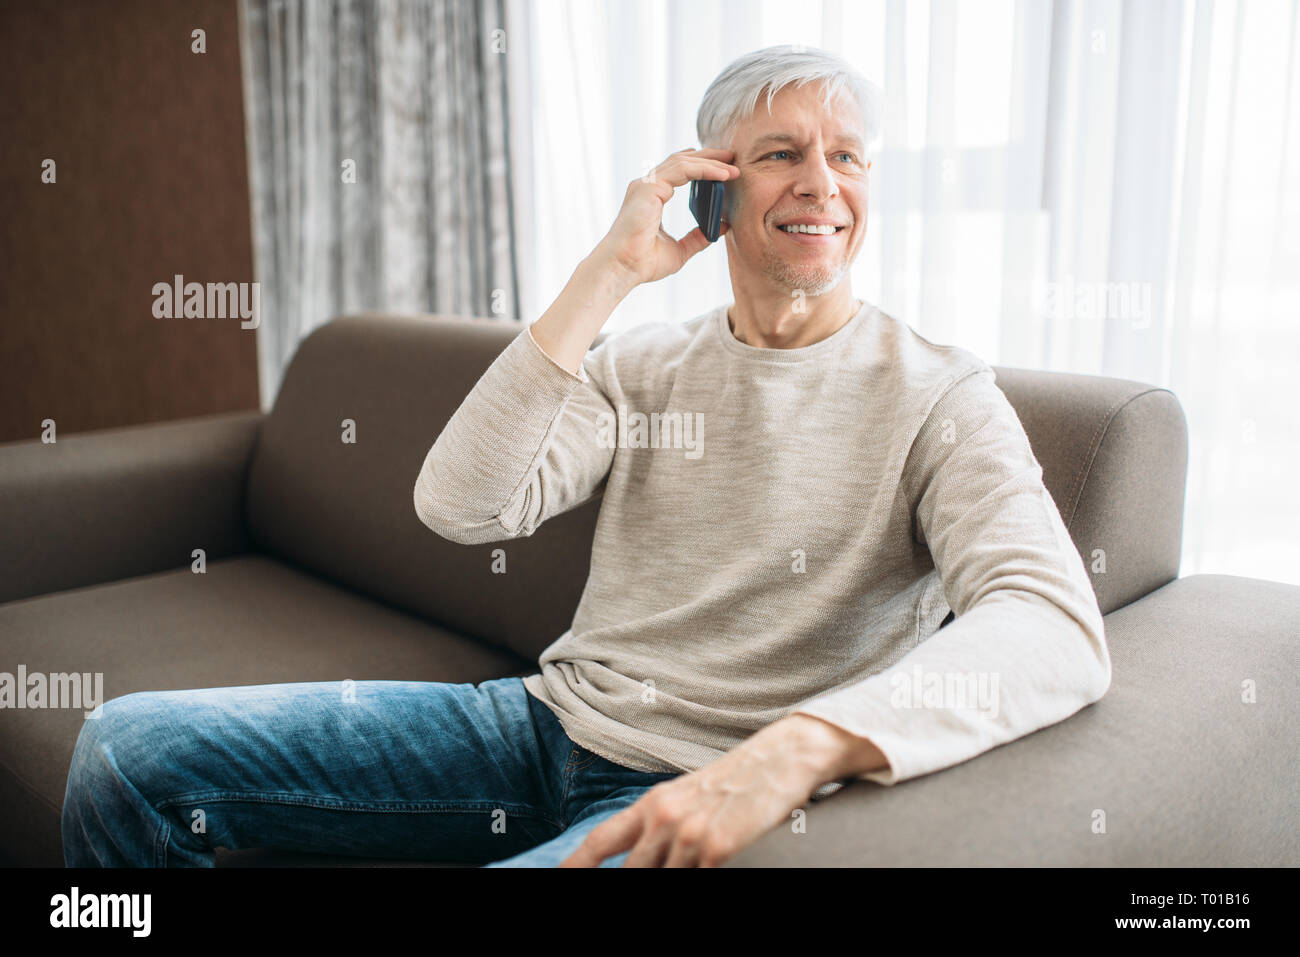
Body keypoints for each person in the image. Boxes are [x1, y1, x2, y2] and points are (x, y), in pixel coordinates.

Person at [63, 44, 1109, 869]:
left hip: (694, 783)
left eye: (846, 156)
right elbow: (464, 507)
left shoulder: (937, 392)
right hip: (538, 725)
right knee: (125, 751)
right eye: (781, 152)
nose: (820, 183)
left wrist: (793, 751)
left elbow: (1051, 624)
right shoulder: (641, 365)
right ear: (714, 189)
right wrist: (609, 274)